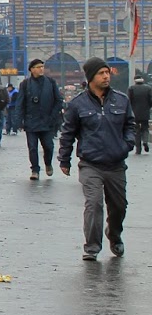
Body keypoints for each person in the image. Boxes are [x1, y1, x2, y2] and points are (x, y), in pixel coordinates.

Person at [58, 57, 136, 261]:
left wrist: (126, 145)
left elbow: (130, 125)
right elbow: (68, 133)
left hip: (116, 164)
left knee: (119, 206)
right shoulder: (77, 104)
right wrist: (64, 159)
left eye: (107, 73)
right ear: (91, 77)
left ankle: (114, 235)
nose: (106, 76)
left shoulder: (121, 100)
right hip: (90, 164)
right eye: (101, 73)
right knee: (94, 204)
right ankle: (92, 247)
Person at [17, 59, 64, 180]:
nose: (41, 69)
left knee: (49, 146)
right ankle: (35, 170)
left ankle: (48, 163)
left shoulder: (50, 82)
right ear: (32, 70)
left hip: (47, 121)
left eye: (42, 66)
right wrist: (19, 120)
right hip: (31, 121)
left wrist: (53, 116)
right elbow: (20, 103)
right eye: (38, 67)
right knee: (32, 147)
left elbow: (59, 100)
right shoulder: (25, 84)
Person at [127, 72, 152, 155]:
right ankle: (145, 141)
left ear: (135, 80)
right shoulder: (148, 88)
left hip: (135, 113)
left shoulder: (131, 88)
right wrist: (148, 107)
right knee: (145, 128)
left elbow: (128, 101)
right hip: (145, 112)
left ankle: (138, 149)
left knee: (136, 131)